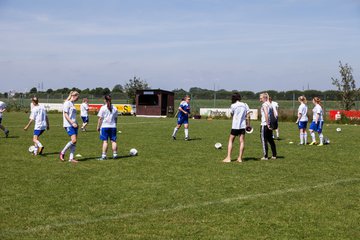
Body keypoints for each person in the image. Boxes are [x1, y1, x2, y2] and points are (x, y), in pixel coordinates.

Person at [222, 93, 251, 163]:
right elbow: (248, 115)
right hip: (243, 126)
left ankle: (228, 158)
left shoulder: (233, 105)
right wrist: (248, 125)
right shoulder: (245, 104)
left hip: (235, 126)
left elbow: (232, 114)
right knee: (242, 141)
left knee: (231, 140)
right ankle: (240, 158)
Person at [60, 91, 80, 163]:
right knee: (74, 140)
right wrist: (72, 123)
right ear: (74, 96)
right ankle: (62, 152)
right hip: (68, 124)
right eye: (77, 97)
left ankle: (71, 158)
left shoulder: (72, 104)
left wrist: (76, 123)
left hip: (74, 124)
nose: (78, 99)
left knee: (74, 142)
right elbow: (66, 114)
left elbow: (73, 116)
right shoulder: (67, 103)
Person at [97, 95, 118, 160]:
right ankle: (115, 154)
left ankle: (103, 156)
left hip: (105, 126)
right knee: (113, 141)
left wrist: (98, 126)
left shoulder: (103, 108)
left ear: (105, 100)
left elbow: (100, 118)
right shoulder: (115, 108)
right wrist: (115, 125)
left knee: (105, 141)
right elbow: (116, 118)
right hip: (113, 126)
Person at [259, 93, 277, 160]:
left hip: (265, 125)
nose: (260, 99)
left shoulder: (264, 105)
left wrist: (267, 123)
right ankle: (274, 155)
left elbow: (266, 114)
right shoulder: (270, 104)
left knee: (263, 140)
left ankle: (265, 156)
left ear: (265, 98)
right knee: (270, 139)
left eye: (261, 98)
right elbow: (275, 114)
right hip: (270, 124)